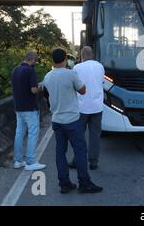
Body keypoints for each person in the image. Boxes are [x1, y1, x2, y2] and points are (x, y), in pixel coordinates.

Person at [43, 48, 103, 194]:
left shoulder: (47, 77)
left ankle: (64, 184)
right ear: (65, 60)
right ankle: (84, 183)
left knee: (60, 152)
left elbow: (46, 95)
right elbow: (83, 90)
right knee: (80, 150)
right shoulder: (71, 74)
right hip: (71, 119)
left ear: (53, 60)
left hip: (57, 120)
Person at [69, 46, 105, 170]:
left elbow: (73, 85)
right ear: (92, 55)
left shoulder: (77, 68)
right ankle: (93, 161)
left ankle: (76, 160)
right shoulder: (100, 66)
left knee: (78, 135)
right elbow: (101, 83)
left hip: (81, 107)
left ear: (82, 55)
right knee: (95, 135)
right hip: (97, 107)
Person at [11, 51, 46, 171]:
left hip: (18, 107)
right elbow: (33, 90)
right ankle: (30, 162)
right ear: (32, 59)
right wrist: (40, 86)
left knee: (19, 133)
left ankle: (17, 160)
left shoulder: (15, 69)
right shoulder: (31, 71)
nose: (36, 62)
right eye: (35, 60)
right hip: (30, 107)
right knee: (32, 133)